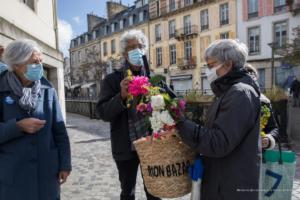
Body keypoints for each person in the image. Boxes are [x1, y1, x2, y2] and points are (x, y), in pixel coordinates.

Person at [174, 39, 261, 200]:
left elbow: (218, 142)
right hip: (223, 182)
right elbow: (216, 130)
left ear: (228, 64)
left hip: (230, 188)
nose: (208, 71)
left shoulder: (239, 93)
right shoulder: (228, 91)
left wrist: (182, 123)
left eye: (211, 65)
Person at [0, 39, 71, 200]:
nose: (39, 66)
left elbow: (59, 131)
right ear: (17, 64)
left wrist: (65, 164)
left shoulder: (48, 90)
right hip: (14, 179)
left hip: (47, 176)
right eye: (34, 62)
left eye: (41, 61)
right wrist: (17, 126)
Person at [96, 30, 161, 200]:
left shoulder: (153, 77)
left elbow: (168, 105)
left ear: (145, 50)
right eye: (131, 47)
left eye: (139, 46)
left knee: (155, 190)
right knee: (128, 192)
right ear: (125, 54)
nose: (136, 50)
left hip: (152, 144)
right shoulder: (112, 80)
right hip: (126, 145)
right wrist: (121, 96)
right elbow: (102, 112)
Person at [244, 64, 279, 149]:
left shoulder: (263, 101)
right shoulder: (228, 99)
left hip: (256, 153)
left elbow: (273, 128)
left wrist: (268, 138)